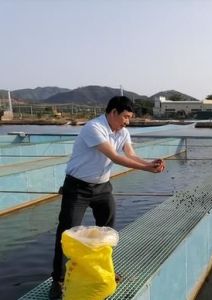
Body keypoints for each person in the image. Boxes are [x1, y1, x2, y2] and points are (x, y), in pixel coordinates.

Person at [49, 96, 165, 299]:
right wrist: (147, 169)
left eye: (129, 118)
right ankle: (58, 280)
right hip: (77, 188)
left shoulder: (122, 131)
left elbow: (130, 154)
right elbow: (115, 157)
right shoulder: (94, 128)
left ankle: (105, 270)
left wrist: (149, 162)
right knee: (66, 231)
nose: (127, 122)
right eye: (125, 117)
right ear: (113, 113)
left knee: (108, 229)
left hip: (102, 187)